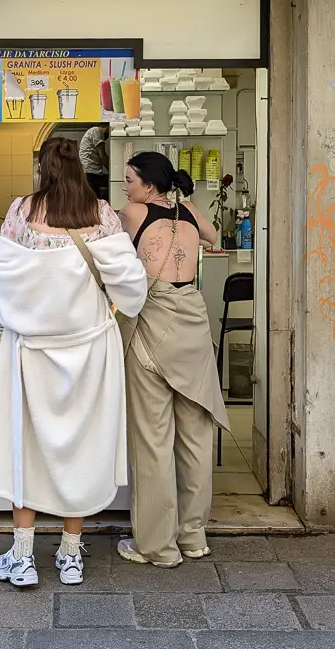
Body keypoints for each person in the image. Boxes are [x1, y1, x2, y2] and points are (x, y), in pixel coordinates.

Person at [0, 138, 147, 587]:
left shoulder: (20, 211)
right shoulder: (102, 213)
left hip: (30, 354)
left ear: (43, 170)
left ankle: (22, 556)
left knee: (25, 449)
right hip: (90, 352)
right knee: (82, 448)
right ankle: (70, 555)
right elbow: (132, 287)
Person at [115, 151, 230, 568]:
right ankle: (193, 535)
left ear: (147, 185)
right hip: (192, 322)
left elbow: (98, 238)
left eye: (128, 179)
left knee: (153, 438)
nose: (124, 185)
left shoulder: (132, 212)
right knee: (196, 435)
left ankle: (157, 546)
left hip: (153, 320)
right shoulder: (190, 210)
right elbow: (212, 237)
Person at [79, 125, 110, 202]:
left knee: (93, 200)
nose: (108, 136)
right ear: (106, 126)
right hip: (91, 173)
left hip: (89, 172)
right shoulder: (96, 131)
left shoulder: (92, 132)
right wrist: (112, 172)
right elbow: (102, 155)